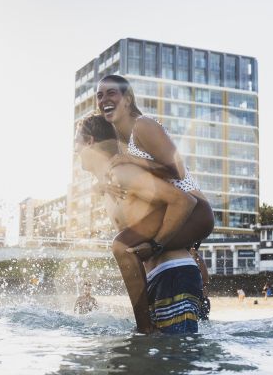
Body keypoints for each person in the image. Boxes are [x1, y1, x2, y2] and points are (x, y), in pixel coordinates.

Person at [75, 114, 207, 334]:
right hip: (161, 277)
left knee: (174, 362)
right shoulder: (110, 182)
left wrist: (156, 245)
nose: (74, 149)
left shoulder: (123, 174)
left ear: (89, 141)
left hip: (172, 274)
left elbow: (183, 201)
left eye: (76, 142)